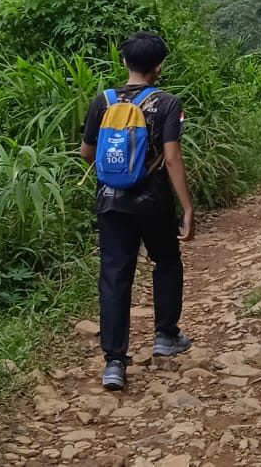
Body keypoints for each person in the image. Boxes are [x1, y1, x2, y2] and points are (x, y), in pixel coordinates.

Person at [80, 31, 195, 391]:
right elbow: (173, 158)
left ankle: (114, 362)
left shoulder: (103, 101)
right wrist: (188, 207)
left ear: (124, 62)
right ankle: (165, 335)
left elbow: (86, 152)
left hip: (111, 200)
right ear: (158, 67)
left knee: (115, 275)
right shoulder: (167, 103)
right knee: (166, 260)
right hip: (153, 201)